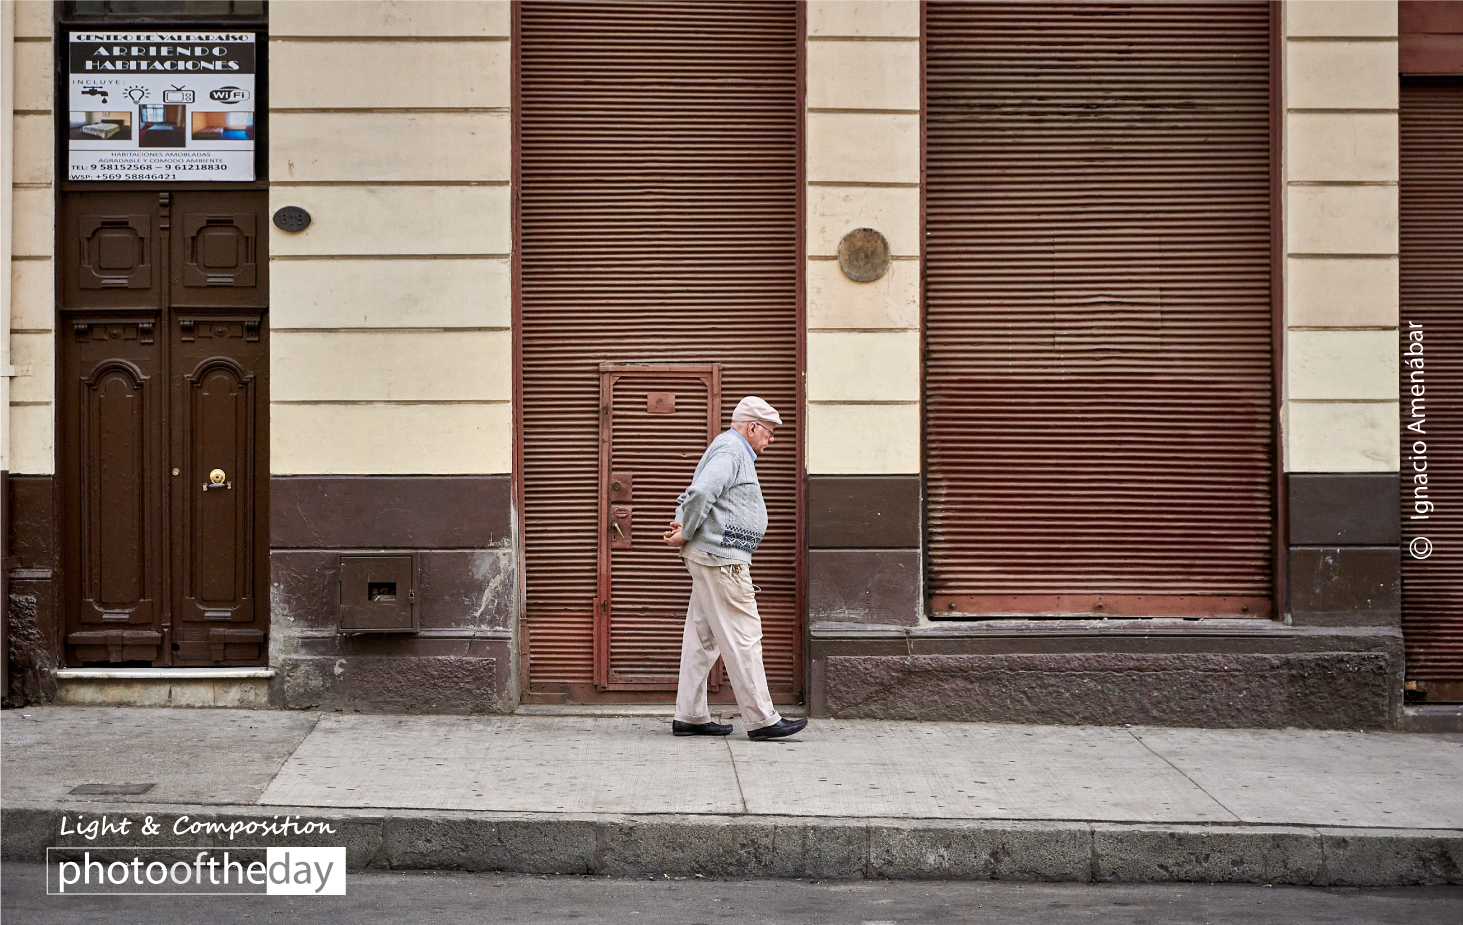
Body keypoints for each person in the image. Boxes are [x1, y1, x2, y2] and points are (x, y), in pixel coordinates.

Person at [662, 396, 808, 741]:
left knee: (703, 638)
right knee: (744, 636)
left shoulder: (727, 449)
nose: (771, 439)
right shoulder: (731, 450)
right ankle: (762, 720)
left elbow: (696, 494)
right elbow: (701, 491)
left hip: (713, 558)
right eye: (769, 432)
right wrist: (688, 532)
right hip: (721, 560)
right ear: (752, 427)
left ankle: (690, 716)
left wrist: (686, 527)